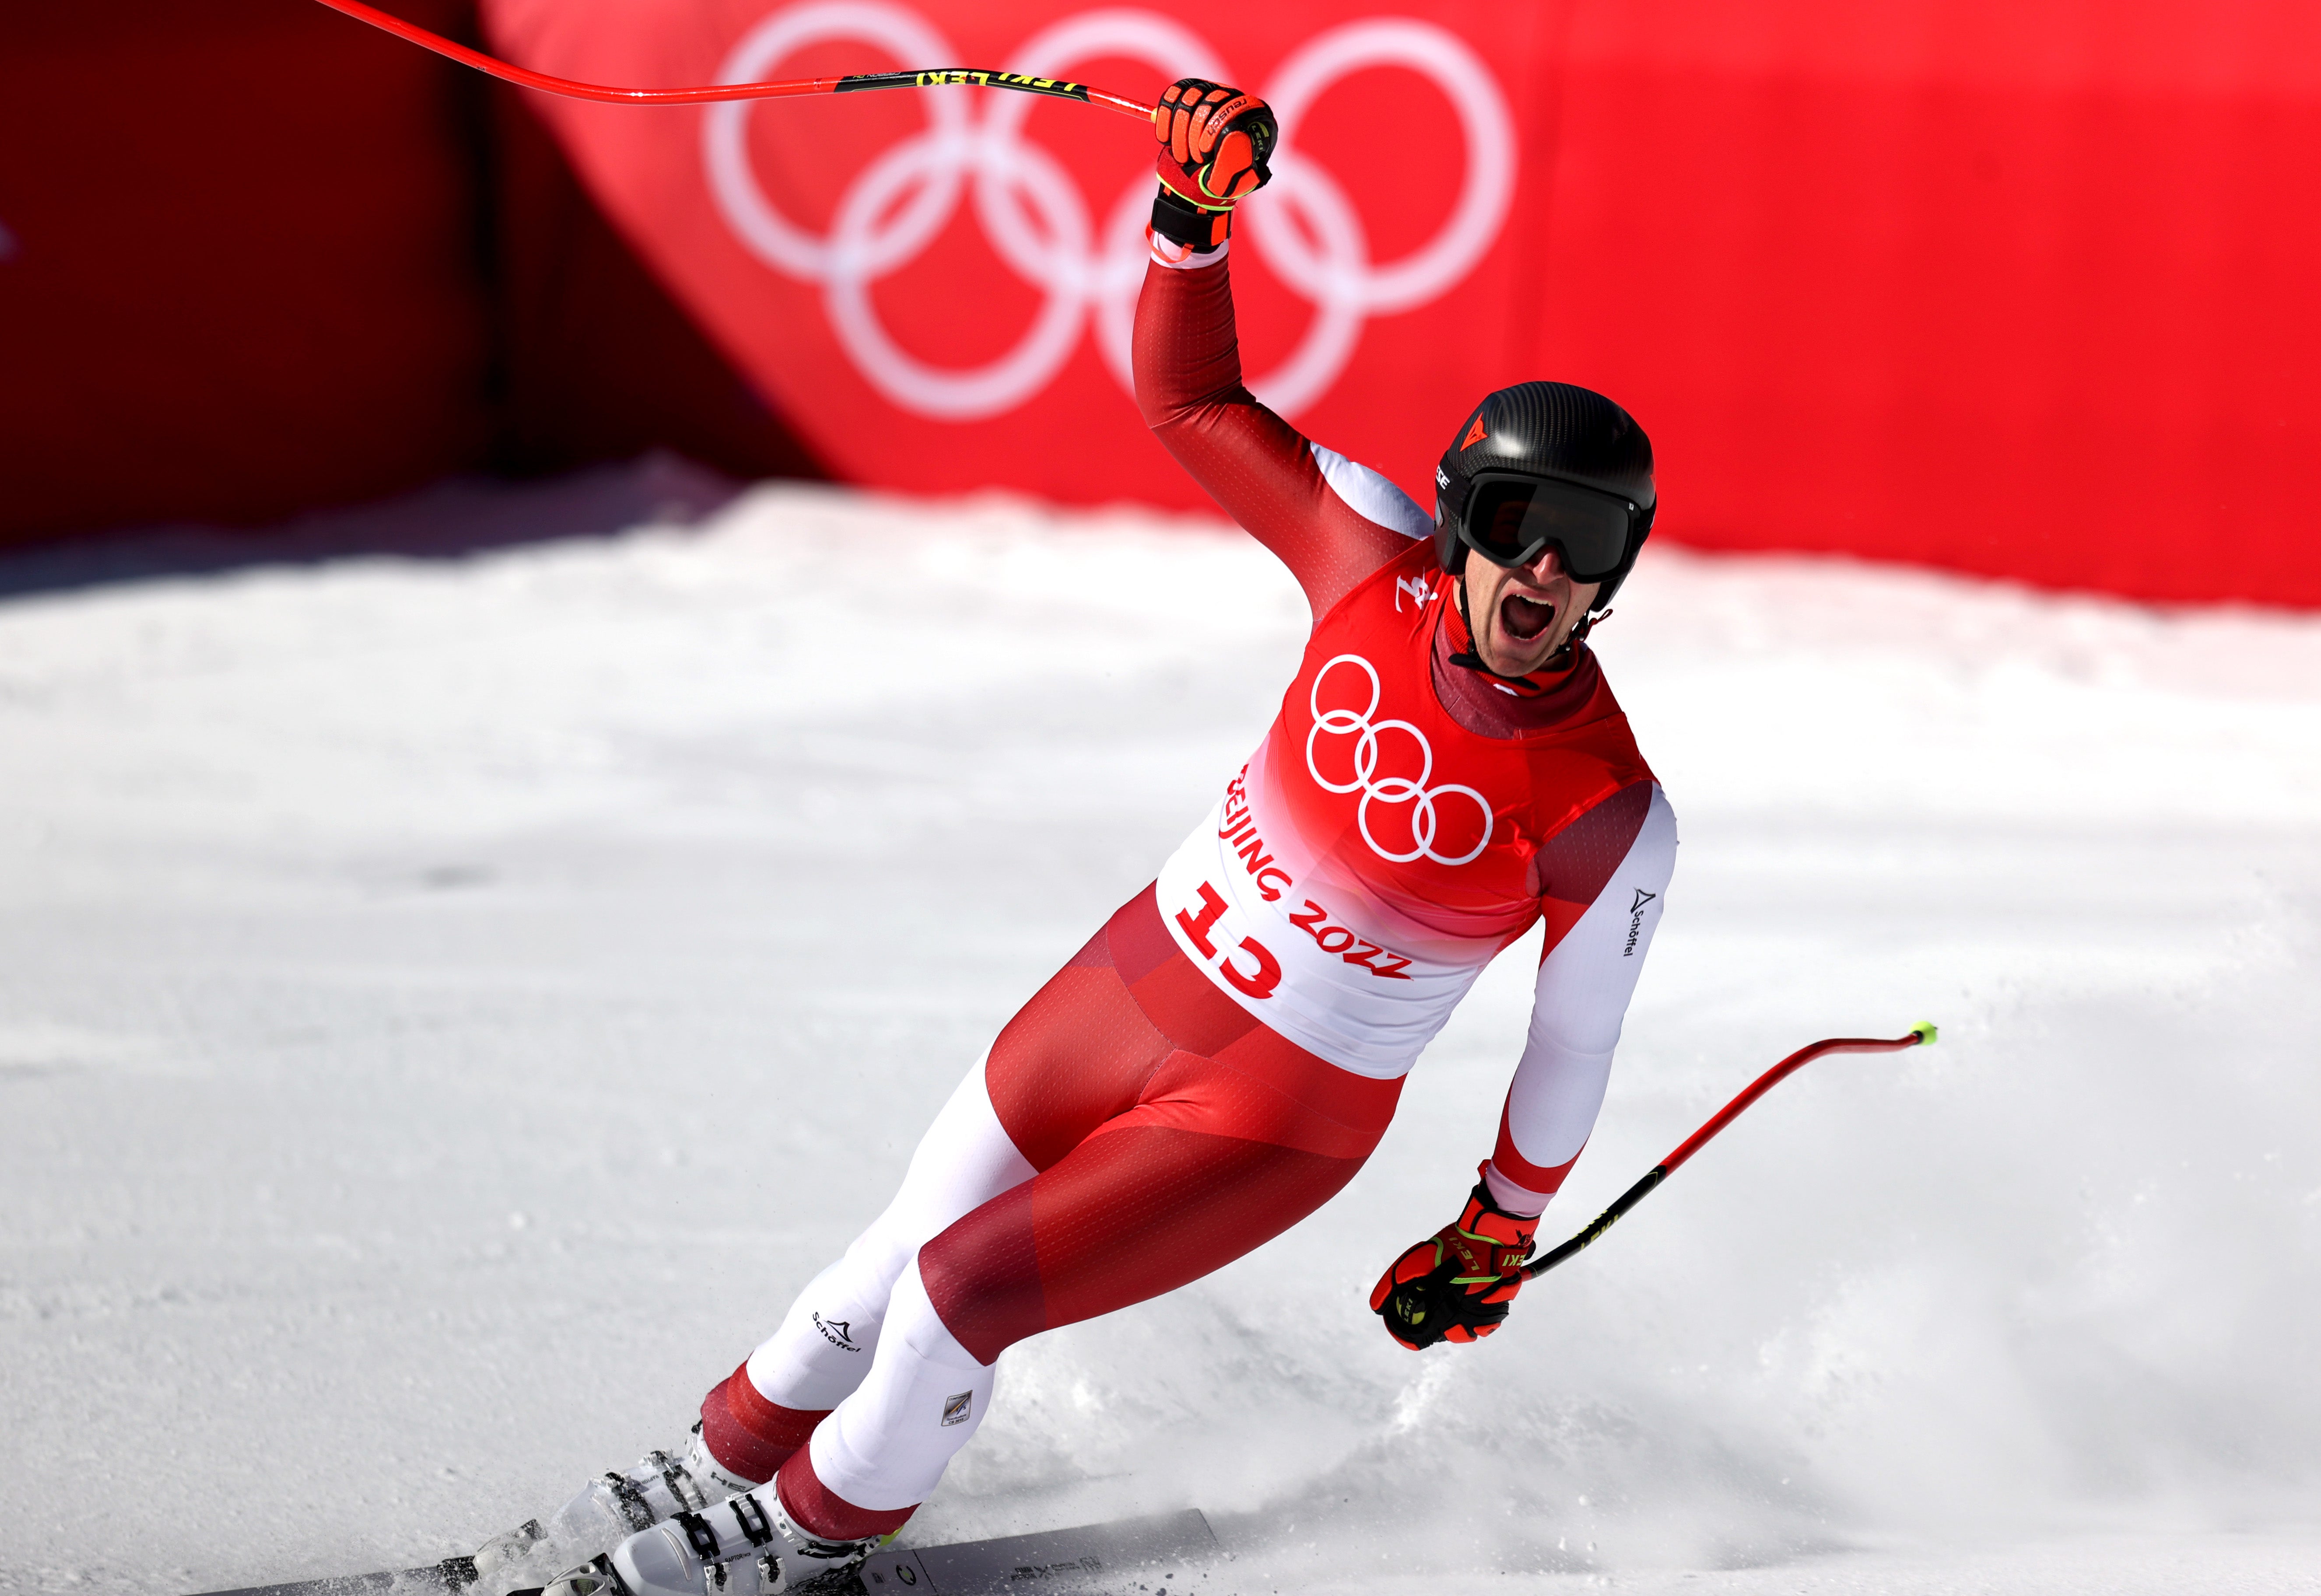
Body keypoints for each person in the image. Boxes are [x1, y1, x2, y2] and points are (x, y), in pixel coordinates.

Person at [487, 78, 1676, 1596]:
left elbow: (1571, 1050)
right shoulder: (1362, 554)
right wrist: (1192, 220)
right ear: (1460, 518)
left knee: (958, 1288)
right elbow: (1191, 405)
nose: (1547, 570)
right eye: (1520, 520)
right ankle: (713, 1468)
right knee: (883, 1267)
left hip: (1267, 1115)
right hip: (1125, 988)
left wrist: (1501, 1226)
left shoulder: (1610, 805)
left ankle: (799, 1544)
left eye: (1591, 544)